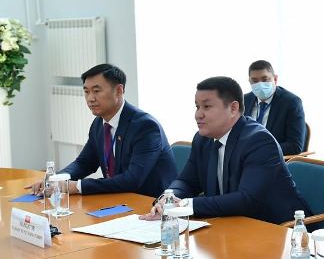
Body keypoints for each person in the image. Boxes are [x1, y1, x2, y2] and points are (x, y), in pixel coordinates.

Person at [141, 76, 309, 222]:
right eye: (197, 107)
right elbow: (186, 181)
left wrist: (185, 205)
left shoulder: (259, 142)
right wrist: (169, 198)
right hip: (229, 224)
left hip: (278, 230)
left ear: (233, 108)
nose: (198, 114)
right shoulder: (202, 139)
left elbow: (246, 200)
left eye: (207, 107)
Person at [30, 63, 177, 197]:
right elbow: (84, 163)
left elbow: (133, 180)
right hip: (117, 199)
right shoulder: (99, 124)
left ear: (119, 91)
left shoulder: (145, 127)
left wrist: (76, 186)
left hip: (151, 204)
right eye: (86, 92)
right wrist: (54, 180)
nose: (90, 98)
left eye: (96, 91)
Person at [243, 60, 306, 156]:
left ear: (275, 79)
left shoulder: (291, 102)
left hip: (274, 159)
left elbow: (295, 145)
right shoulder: (244, 100)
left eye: (265, 80)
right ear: (249, 82)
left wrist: (261, 150)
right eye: (255, 81)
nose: (260, 85)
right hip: (245, 158)